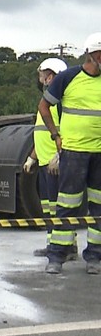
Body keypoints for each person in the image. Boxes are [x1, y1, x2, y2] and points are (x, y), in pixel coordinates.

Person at [39, 33, 101, 275]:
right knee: (67, 204)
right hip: (74, 152)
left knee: (99, 206)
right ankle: (57, 255)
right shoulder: (68, 78)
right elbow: (44, 106)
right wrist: (56, 135)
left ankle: (95, 256)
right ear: (95, 55)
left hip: (99, 154)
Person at [24, 58, 68, 258]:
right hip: (44, 163)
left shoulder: (60, 105)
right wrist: (32, 157)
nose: (40, 79)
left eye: (41, 75)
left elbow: (68, 134)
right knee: (50, 208)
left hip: (55, 164)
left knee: (61, 208)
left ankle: (64, 248)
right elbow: (42, 134)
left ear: (50, 76)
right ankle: (54, 244)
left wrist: (60, 156)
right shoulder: (46, 104)